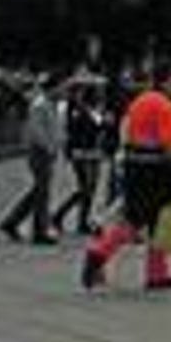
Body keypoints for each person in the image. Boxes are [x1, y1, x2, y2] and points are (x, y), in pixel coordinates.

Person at [81, 66, 171, 292]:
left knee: (140, 218)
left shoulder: (139, 101)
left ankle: (155, 273)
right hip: (157, 170)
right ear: (167, 82)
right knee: (152, 223)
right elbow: (168, 145)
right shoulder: (165, 106)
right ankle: (101, 254)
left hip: (134, 165)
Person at [0, 75, 62, 245]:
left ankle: (11, 222)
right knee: (42, 193)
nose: (62, 92)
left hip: (46, 152)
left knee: (39, 191)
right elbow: (36, 131)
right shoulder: (40, 105)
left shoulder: (48, 104)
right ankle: (40, 231)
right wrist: (49, 147)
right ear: (52, 88)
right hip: (39, 152)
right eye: (59, 88)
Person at [53, 77, 110, 235]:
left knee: (90, 188)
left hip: (93, 152)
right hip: (81, 153)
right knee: (85, 188)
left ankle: (82, 221)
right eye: (98, 93)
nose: (101, 95)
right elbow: (78, 131)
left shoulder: (95, 110)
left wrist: (103, 125)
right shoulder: (77, 110)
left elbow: (100, 127)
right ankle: (59, 215)